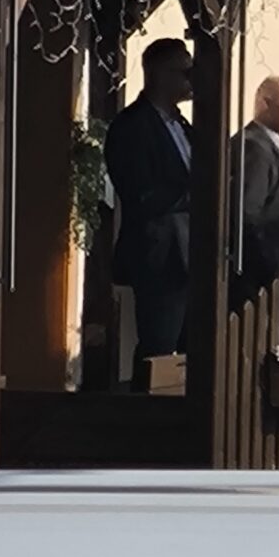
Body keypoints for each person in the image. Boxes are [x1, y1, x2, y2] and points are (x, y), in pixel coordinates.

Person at [104, 39, 194, 374]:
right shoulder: (131, 126)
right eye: (186, 72)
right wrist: (196, 194)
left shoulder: (184, 126)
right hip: (160, 257)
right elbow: (140, 193)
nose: (192, 80)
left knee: (194, 352)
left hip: (194, 258)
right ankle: (145, 405)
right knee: (158, 348)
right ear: (160, 74)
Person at [233, 76, 279, 307]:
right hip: (260, 281)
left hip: (273, 278)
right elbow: (246, 215)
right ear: (266, 104)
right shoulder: (254, 148)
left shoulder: (268, 146)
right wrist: (272, 264)